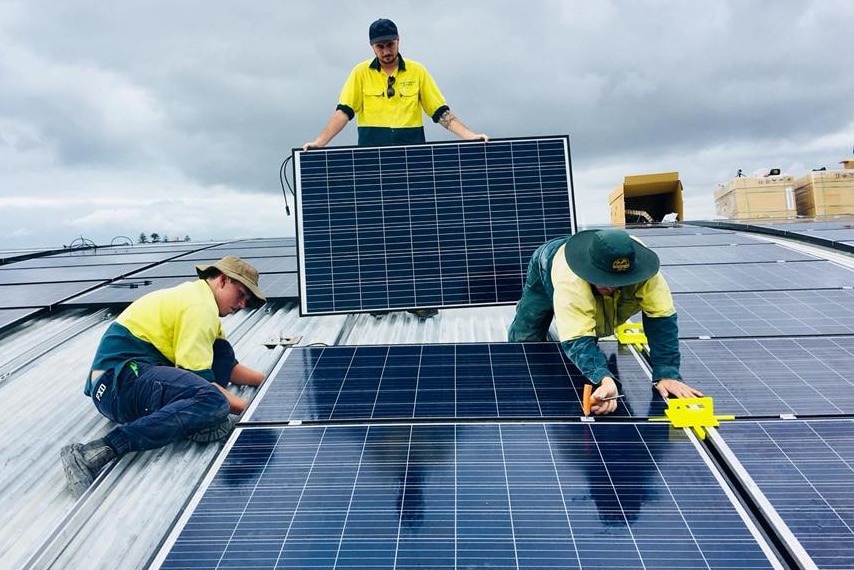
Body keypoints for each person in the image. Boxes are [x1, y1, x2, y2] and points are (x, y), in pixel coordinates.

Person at [302, 18, 488, 321]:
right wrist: (320, 142)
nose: (386, 51)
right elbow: (344, 112)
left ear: (399, 41)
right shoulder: (360, 74)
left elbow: (440, 111)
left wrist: (469, 135)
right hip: (371, 165)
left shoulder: (417, 72)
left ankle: (418, 297)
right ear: (371, 47)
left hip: (411, 162)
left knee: (415, 228)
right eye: (380, 46)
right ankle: (381, 295)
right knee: (375, 229)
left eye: (390, 44)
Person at [60, 256, 267, 497]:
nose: (242, 304)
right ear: (223, 280)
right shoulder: (199, 307)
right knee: (213, 400)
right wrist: (252, 410)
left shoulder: (199, 301)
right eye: (241, 294)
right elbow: (202, 382)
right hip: (119, 382)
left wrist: (268, 381)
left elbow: (228, 366)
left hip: (133, 379)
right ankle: (90, 454)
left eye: (247, 300)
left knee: (221, 351)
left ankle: (202, 418)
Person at [508, 229, 703, 415]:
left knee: (599, 320)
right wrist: (604, 378)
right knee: (527, 334)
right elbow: (578, 337)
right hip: (547, 261)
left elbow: (662, 319)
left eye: (617, 280)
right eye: (603, 279)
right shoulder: (569, 280)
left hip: (594, 262)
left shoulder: (645, 271)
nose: (610, 286)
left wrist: (667, 373)